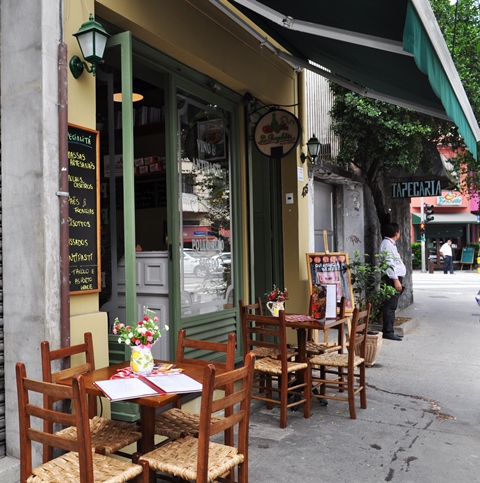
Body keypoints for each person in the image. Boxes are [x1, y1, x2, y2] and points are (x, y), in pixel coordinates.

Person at [379, 222, 406, 341]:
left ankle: (390, 330)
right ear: (396, 233)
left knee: (392, 305)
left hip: (394, 277)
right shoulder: (387, 244)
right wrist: (395, 280)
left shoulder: (390, 244)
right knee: (390, 306)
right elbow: (389, 263)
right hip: (391, 278)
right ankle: (388, 331)